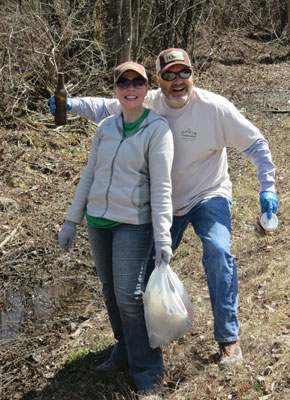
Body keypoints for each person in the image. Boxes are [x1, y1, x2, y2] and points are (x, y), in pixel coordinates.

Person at [51, 48, 279, 370]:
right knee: (136, 278)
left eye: (183, 73)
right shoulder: (149, 101)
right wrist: (71, 104)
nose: (177, 82)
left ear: (192, 74)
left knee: (217, 250)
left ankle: (228, 339)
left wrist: (267, 187)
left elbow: (256, 144)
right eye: (169, 75)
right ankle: (133, 343)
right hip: (163, 204)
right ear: (158, 80)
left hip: (207, 194)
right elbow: (107, 107)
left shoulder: (215, 109)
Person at [57, 61, 174, 398]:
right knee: (110, 292)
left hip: (133, 224)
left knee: (129, 297)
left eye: (137, 82)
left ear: (146, 89)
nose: (131, 87)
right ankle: (124, 349)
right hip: (98, 222)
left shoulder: (157, 130)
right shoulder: (106, 127)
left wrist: (163, 236)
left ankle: (148, 372)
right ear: (116, 90)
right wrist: (71, 220)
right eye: (124, 82)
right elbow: (90, 175)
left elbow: (162, 188)